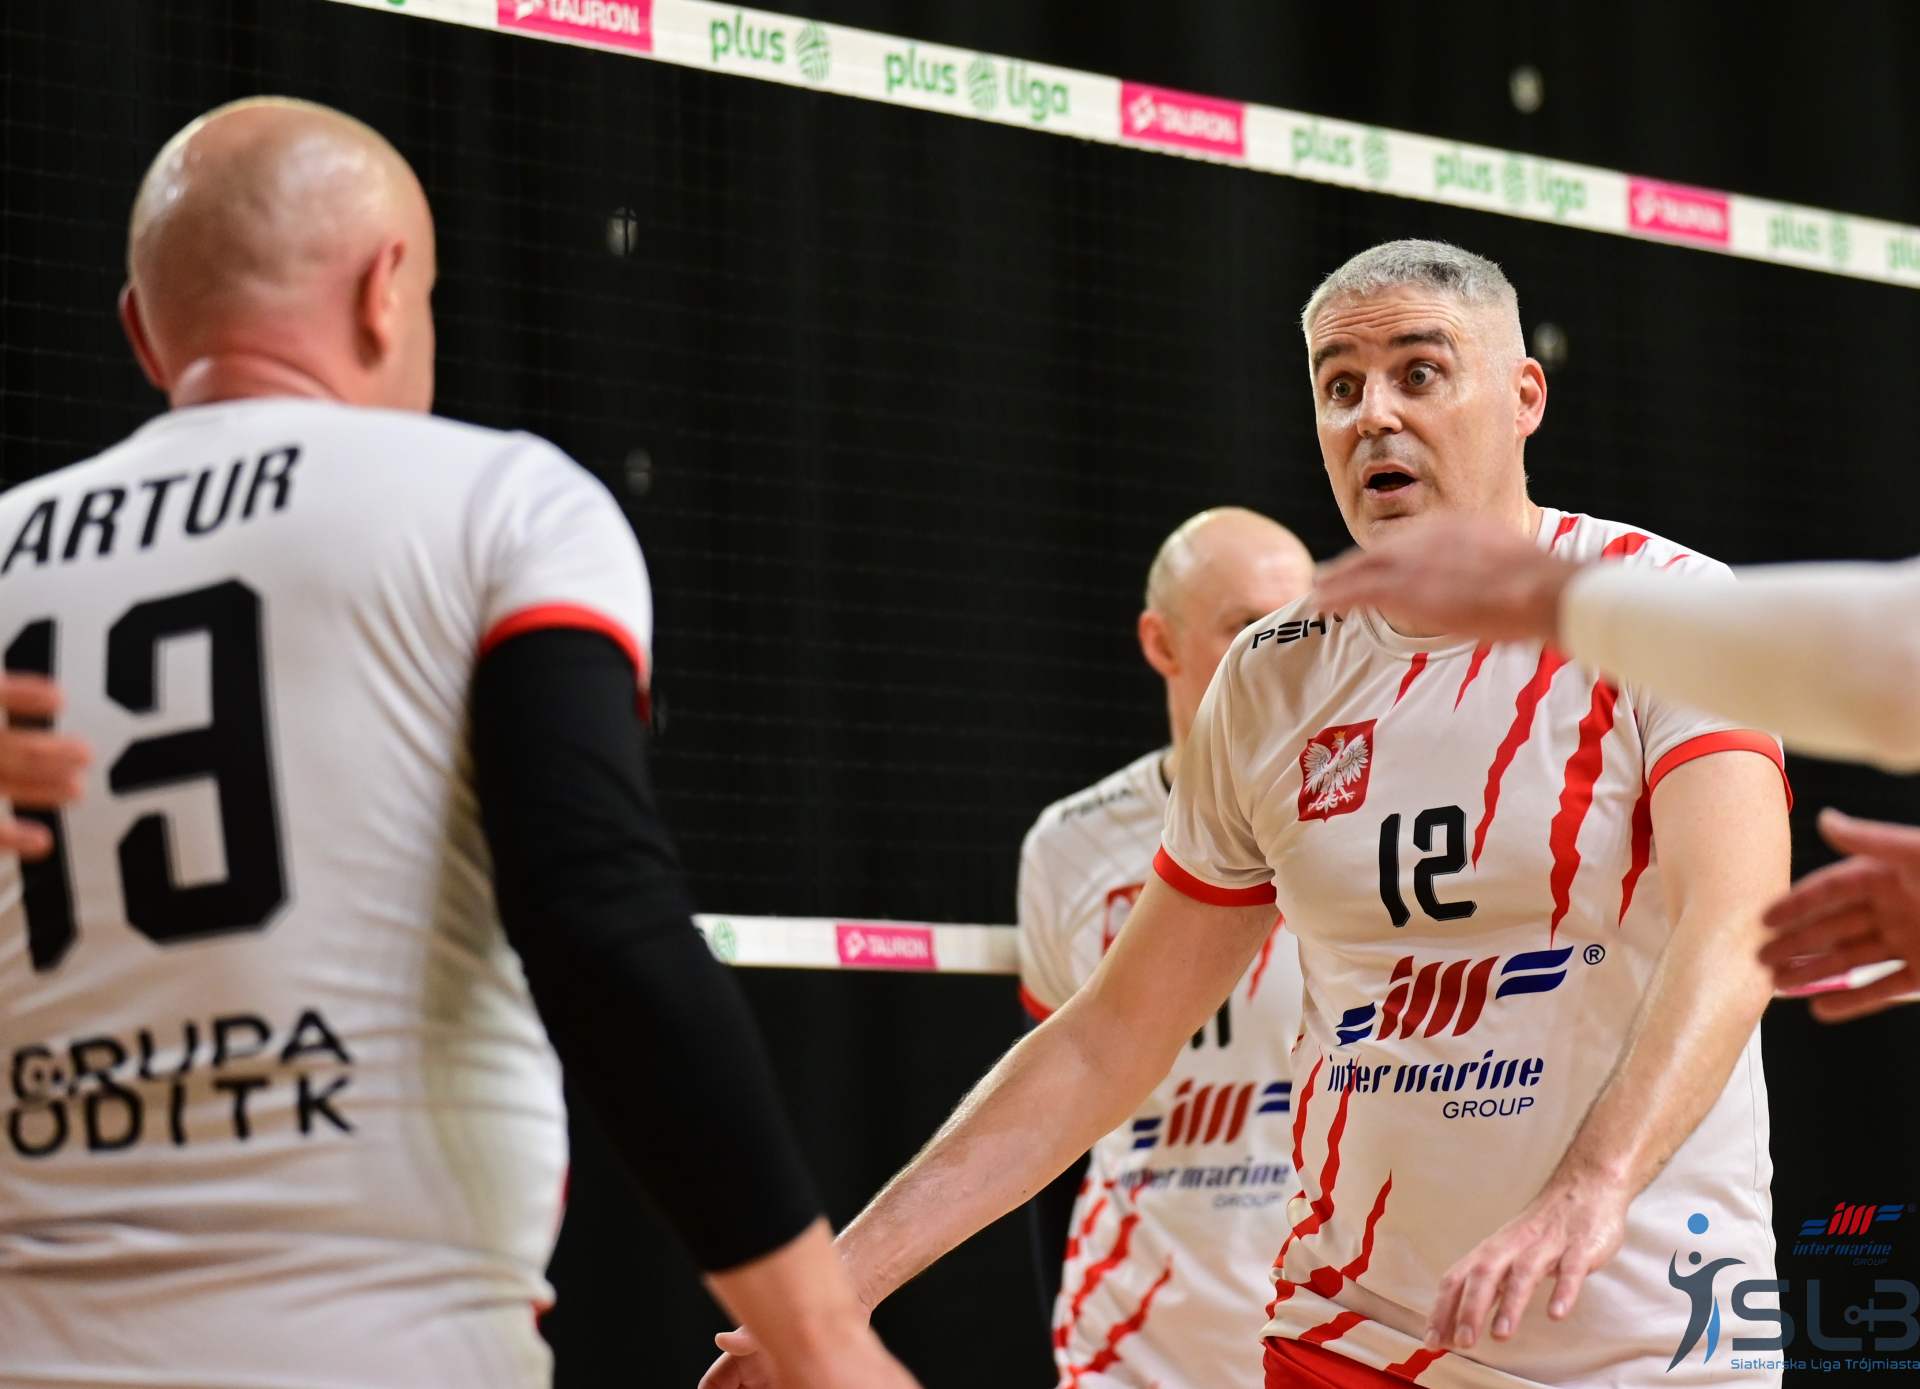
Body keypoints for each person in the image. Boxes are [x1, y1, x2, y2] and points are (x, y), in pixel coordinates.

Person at [704, 240, 1791, 1389]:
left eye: (1419, 373)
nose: (1373, 415)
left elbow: (1740, 930)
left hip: (1641, 1337)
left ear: (1524, 397)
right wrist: (836, 1290)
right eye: (1340, 385)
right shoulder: (1273, 676)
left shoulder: (1666, 608)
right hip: (1352, 1335)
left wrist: (1591, 1187)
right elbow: (1111, 1035)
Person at [0, 97, 915, 1389]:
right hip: (381, 1343)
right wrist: (823, 1338)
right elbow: (595, 906)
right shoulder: (501, 502)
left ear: (143, 334)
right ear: (386, 292)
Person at [1311, 523, 1920, 1021]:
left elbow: (1895, 648)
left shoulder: (1674, 577)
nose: (1376, 421)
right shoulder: (1283, 664)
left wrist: (1554, 595)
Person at [1018, 507, 1311, 1386]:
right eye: (1245, 626)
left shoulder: (1370, 821)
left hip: (1327, 1339)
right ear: (1161, 641)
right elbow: (1051, 1120)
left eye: (1300, 625)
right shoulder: (1069, 844)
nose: (1279, 654)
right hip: (1130, 1349)